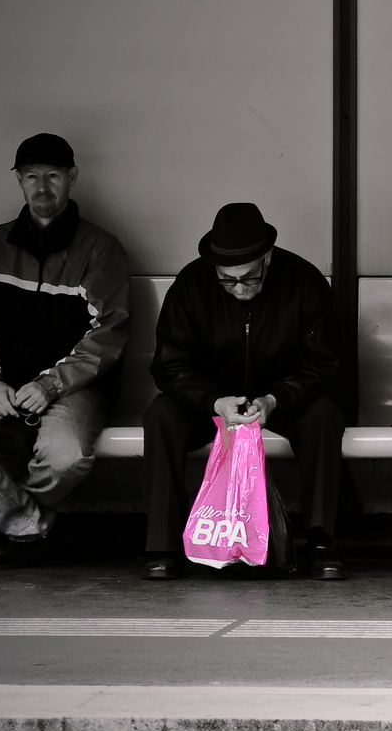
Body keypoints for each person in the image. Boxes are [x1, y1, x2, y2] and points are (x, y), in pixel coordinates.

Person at [0, 133, 130, 569]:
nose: (42, 188)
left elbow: (108, 333)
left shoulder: (100, 249)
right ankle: (31, 530)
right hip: (1, 380)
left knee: (64, 457)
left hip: (75, 386)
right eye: (31, 176)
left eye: (53, 176)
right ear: (18, 180)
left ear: (72, 177)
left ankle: (12, 530)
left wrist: (53, 383)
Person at [142, 203, 344, 580]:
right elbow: (169, 365)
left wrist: (277, 398)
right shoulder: (191, 283)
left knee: (324, 415)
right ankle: (162, 546)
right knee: (161, 416)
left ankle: (320, 541)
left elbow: (324, 363)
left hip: (281, 398)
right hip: (213, 400)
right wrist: (212, 401)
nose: (239, 289)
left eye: (248, 278)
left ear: (267, 258)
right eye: (227, 280)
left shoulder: (302, 280)